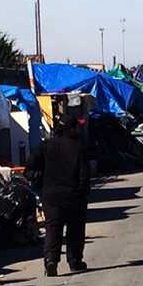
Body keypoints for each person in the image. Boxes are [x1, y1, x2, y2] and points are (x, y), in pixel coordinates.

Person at [26, 116, 91, 276]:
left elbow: (29, 171)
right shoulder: (78, 147)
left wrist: (40, 182)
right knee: (75, 230)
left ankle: (51, 261)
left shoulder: (44, 146)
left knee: (52, 229)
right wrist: (83, 193)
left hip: (50, 195)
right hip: (74, 195)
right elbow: (84, 174)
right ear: (71, 129)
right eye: (77, 127)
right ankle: (75, 261)